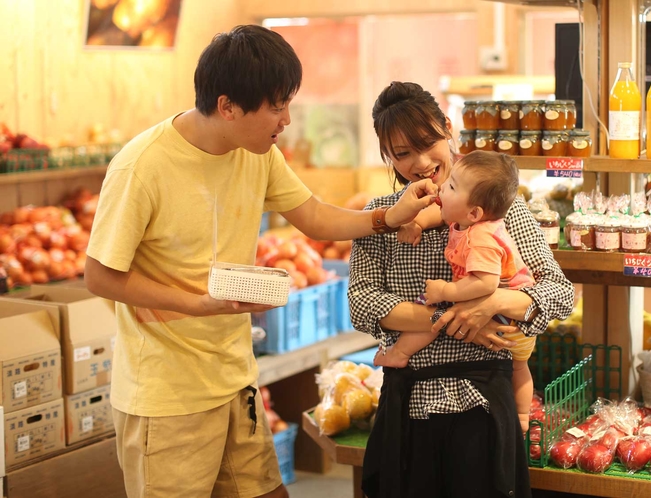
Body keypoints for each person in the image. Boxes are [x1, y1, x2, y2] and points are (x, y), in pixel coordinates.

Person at [83, 26, 434, 498]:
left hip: (236, 382)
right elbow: (100, 276)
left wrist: (392, 215)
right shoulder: (140, 167)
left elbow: (313, 216)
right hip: (166, 399)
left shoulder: (258, 154)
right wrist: (196, 304)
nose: (287, 119)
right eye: (276, 106)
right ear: (227, 106)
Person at [350, 81, 575, 498]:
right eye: (401, 153)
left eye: (427, 143)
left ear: (448, 129)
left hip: (483, 403)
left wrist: (490, 302)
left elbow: (559, 291)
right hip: (410, 402)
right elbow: (363, 304)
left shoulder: (497, 205)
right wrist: (450, 318)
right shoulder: (379, 217)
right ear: (387, 156)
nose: (419, 162)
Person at [375, 150, 539, 433]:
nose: (443, 187)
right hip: (498, 306)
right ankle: (523, 414)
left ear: (474, 213)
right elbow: (438, 215)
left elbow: (486, 283)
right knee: (520, 368)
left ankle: (399, 353)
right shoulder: (466, 218)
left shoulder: (481, 238)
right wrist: (416, 223)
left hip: (508, 317)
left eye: (451, 186)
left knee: (437, 317)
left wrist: (445, 290)